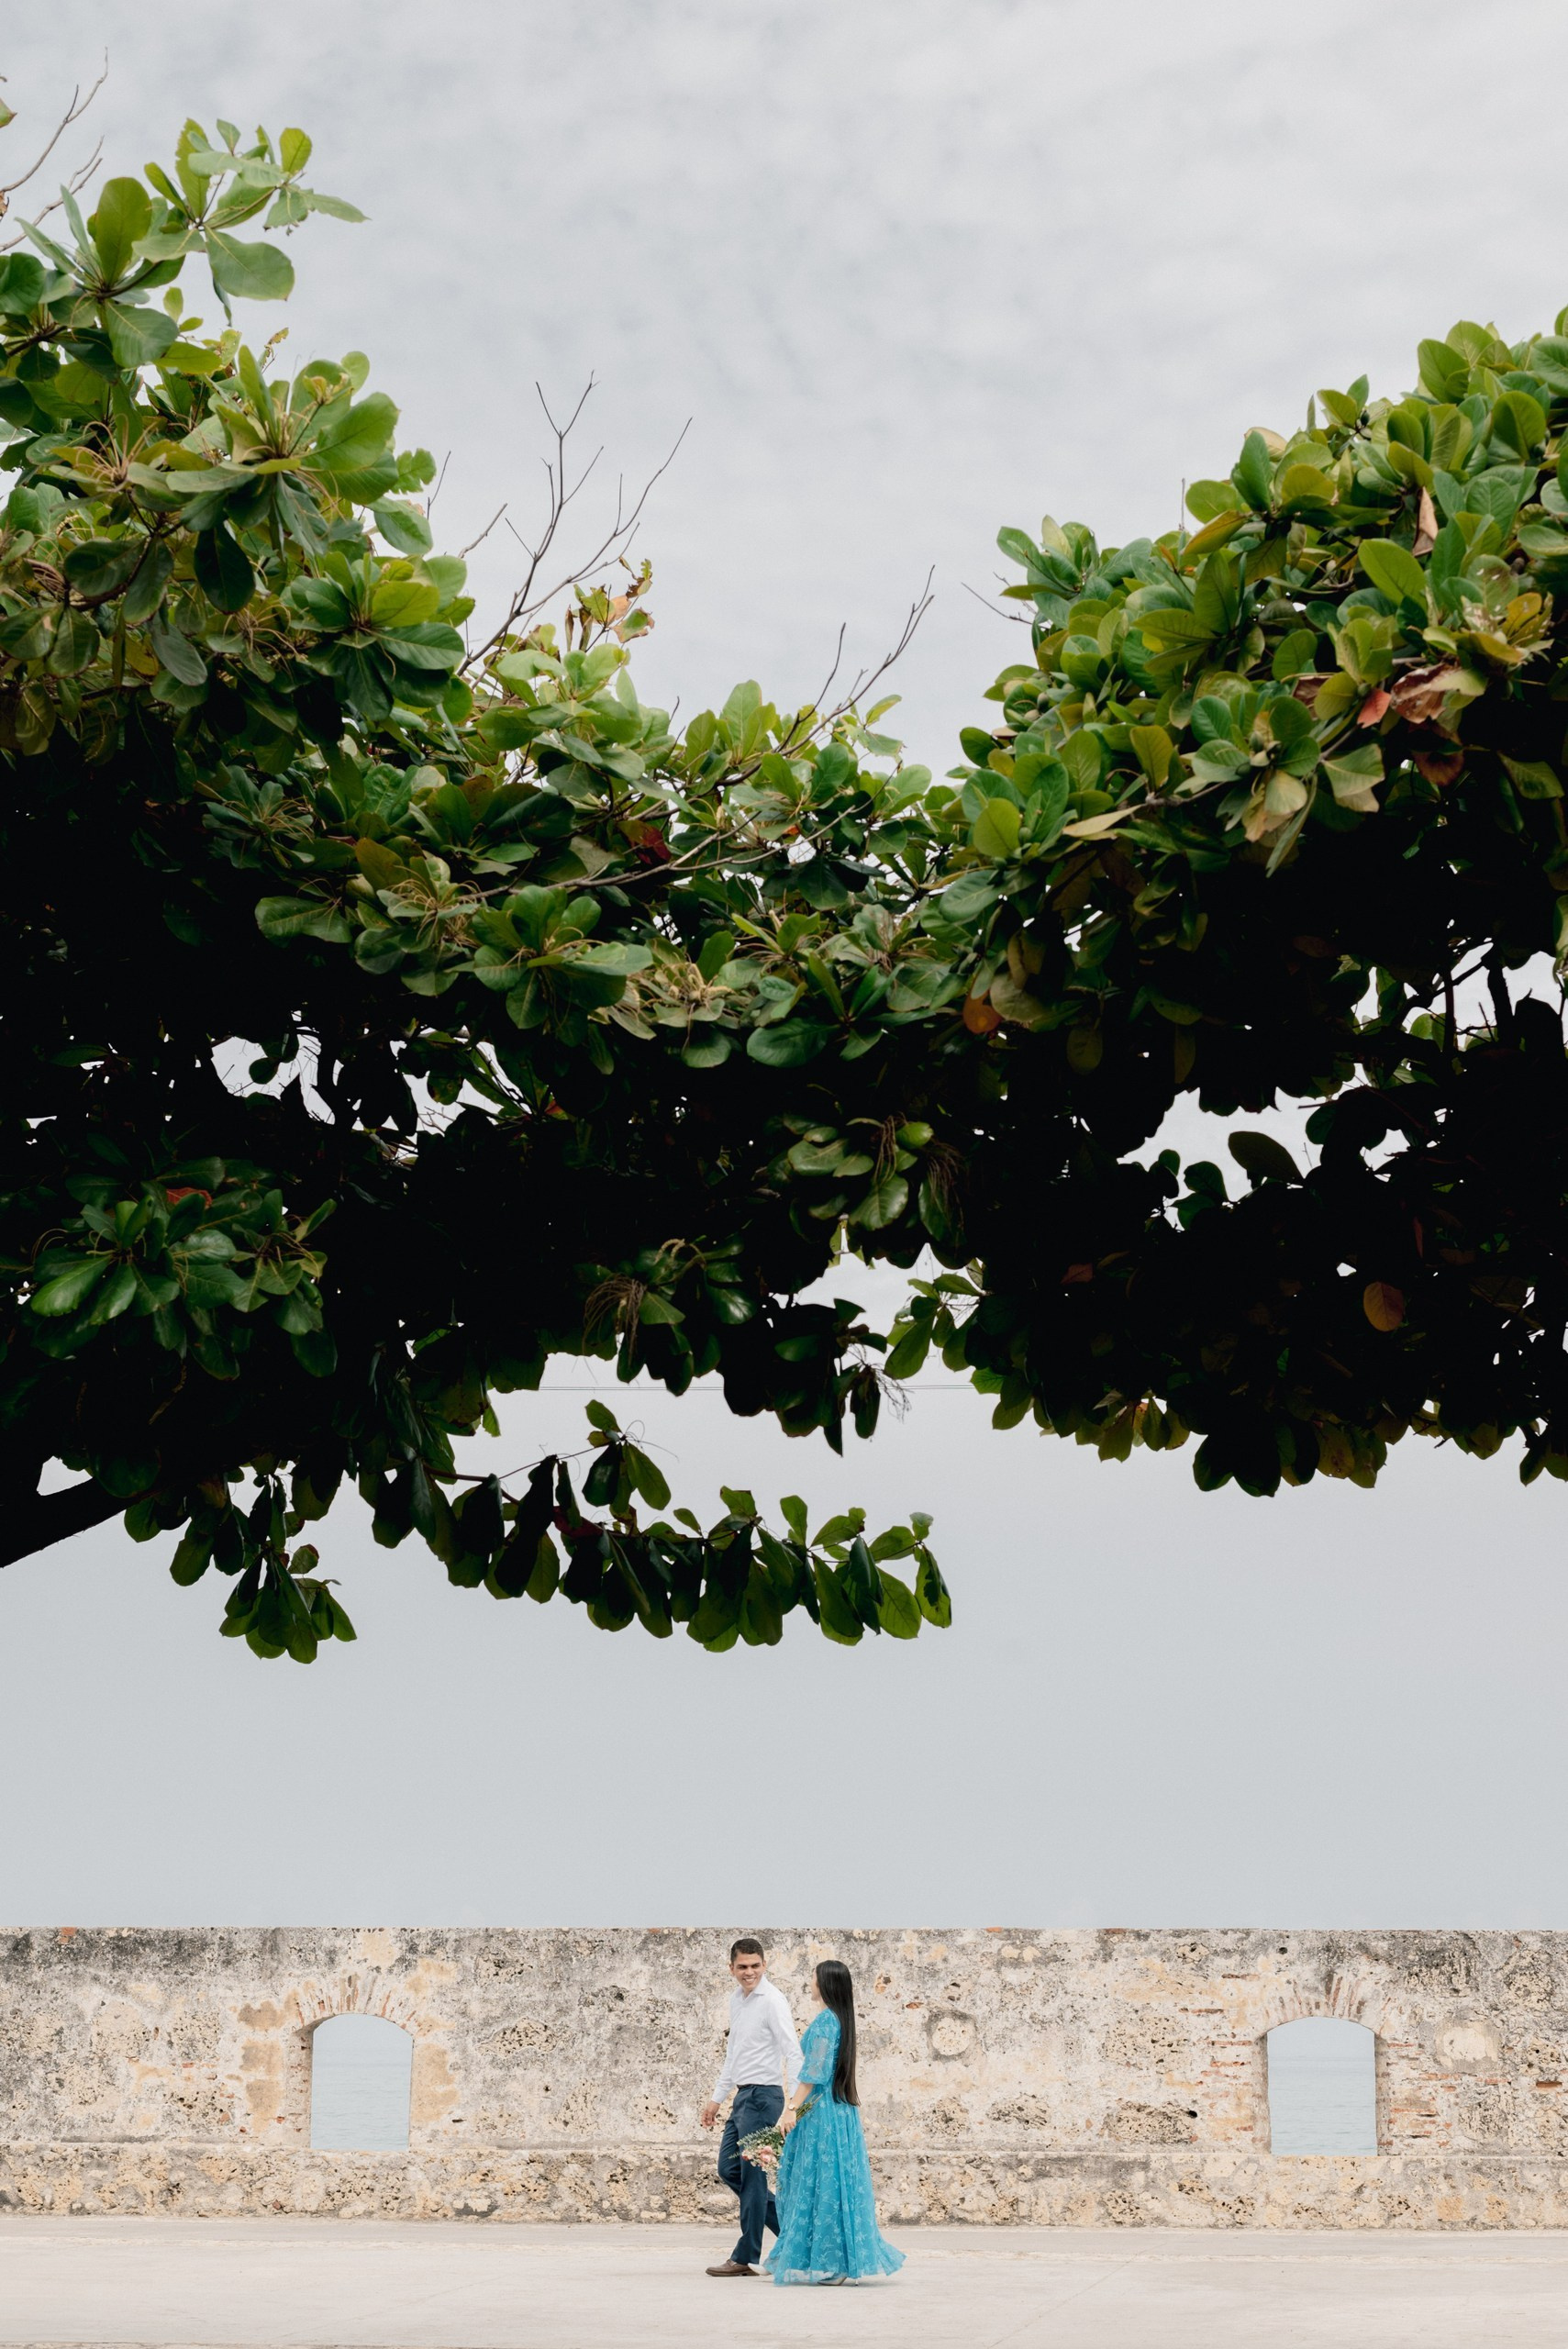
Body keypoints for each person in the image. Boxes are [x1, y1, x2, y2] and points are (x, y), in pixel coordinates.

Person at [765, 1958, 905, 2287]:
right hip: (839, 2111)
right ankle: (835, 2260)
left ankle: (833, 2262)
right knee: (835, 2184)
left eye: (813, 1978)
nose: (810, 1983)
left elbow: (813, 2074)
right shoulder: (840, 2020)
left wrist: (790, 2110)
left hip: (821, 2113)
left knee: (819, 2183)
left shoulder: (827, 2022)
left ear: (825, 1983)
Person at [699, 1935, 802, 2278]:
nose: (749, 1972)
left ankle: (745, 2257)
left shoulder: (773, 2000)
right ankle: (796, 2236)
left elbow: (793, 2051)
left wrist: (792, 2105)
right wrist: (716, 2099)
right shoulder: (737, 2001)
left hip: (764, 2099)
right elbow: (734, 2055)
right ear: (731, 1968)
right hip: (743, 2098)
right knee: (729, 2170)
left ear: (764, 1965)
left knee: (754, 2181)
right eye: (742, 1967)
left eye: (755, 1966)